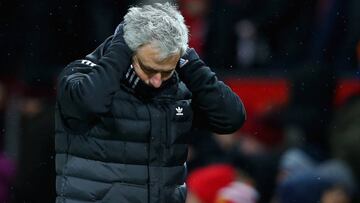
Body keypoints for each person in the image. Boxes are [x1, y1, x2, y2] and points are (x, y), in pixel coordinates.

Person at [55, 3, 246, 203]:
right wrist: (120, 45)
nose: (157, 80)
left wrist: (190, 62)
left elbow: (231, 119)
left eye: (166, 71)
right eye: (149, 69)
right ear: (129, 53)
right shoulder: (79, 75)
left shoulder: (178, 88)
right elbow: (90, 104)